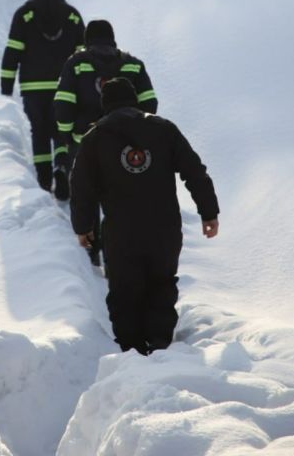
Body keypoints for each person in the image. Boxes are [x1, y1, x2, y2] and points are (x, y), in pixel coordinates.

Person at [70, 77, 219, 356]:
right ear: (135, 99)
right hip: (164, 227)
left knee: (124, 288)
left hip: (120, 230)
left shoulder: (95, 138)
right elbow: (194, 171)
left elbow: (80, 187)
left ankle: (131, 350)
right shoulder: (164, 129)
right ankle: (160, 343)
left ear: (105, 104)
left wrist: (83, 226)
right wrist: (208, 212)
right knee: (161, 282)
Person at [54, 19, 157, 255]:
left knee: (86, 196)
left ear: (87, 39)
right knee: (119, 200)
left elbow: (63, 103)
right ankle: (118, 254)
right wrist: (139, 131)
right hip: (124, 146)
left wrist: (66, 134)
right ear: (112, 38)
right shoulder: (133, 65)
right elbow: (150, 102)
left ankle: (92, 252)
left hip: (84, 143)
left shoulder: (76, 63)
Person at [0, 0, 84, 196]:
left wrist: (6, 84)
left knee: (39, 131)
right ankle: (62, 166)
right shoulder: (72, 16)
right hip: (63, 87)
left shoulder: (24, 15)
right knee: (62, 131)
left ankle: (44, 180)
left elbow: (13, 49)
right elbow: (82, 55)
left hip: (32, 87)